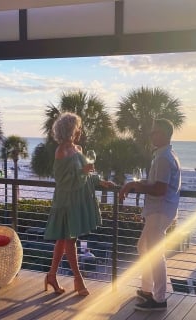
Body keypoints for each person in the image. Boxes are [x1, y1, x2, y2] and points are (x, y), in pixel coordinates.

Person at [43, 112, 115, 296]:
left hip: (78, 199)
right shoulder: (61, 151)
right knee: (70, 239)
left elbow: (86, 175)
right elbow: (62, 180)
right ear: (69, 129)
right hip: (66, 200)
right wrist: (83, 170)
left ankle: (52, 275)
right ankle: (78, 280)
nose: (80, 130)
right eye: (77, 127)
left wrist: (100, 181)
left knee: (63, 239)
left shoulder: (78, 149)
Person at [119, 118, 181, 311]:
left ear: (163, 134)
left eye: (154, 132)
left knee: (154, 253)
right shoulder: (165, 155)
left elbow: (159, 189)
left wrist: (136, 185)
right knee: (144, 247)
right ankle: (147, 290)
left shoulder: (163, 158)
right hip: (160, 210)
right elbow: (156, 181)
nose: (151, 134)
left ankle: (160, 299)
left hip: (160, 210)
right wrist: (133, 184)